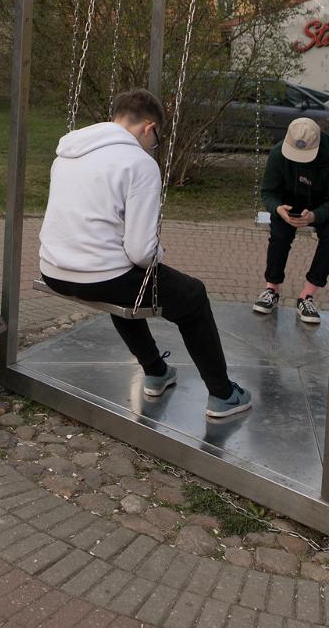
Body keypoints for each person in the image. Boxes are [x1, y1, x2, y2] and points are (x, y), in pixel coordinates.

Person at [39, 89, 252, 418]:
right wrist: (158, 253)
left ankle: (156, 371)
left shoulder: (68, 151)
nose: (154, 146)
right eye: (157, 140)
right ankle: (223, 394)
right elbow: (141, 251)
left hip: (52, 269)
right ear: (148, 128)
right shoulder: (139, 163)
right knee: (192, 296)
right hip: (97, 276)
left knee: (124, 284)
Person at [254, 117, 329, 325]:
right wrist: (277, 208)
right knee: (279, 235)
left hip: (322, 206)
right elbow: (268, 192)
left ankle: (307, 295)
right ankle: (271, 289)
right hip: (288, 204)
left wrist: (315, 215)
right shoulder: (278, 154)